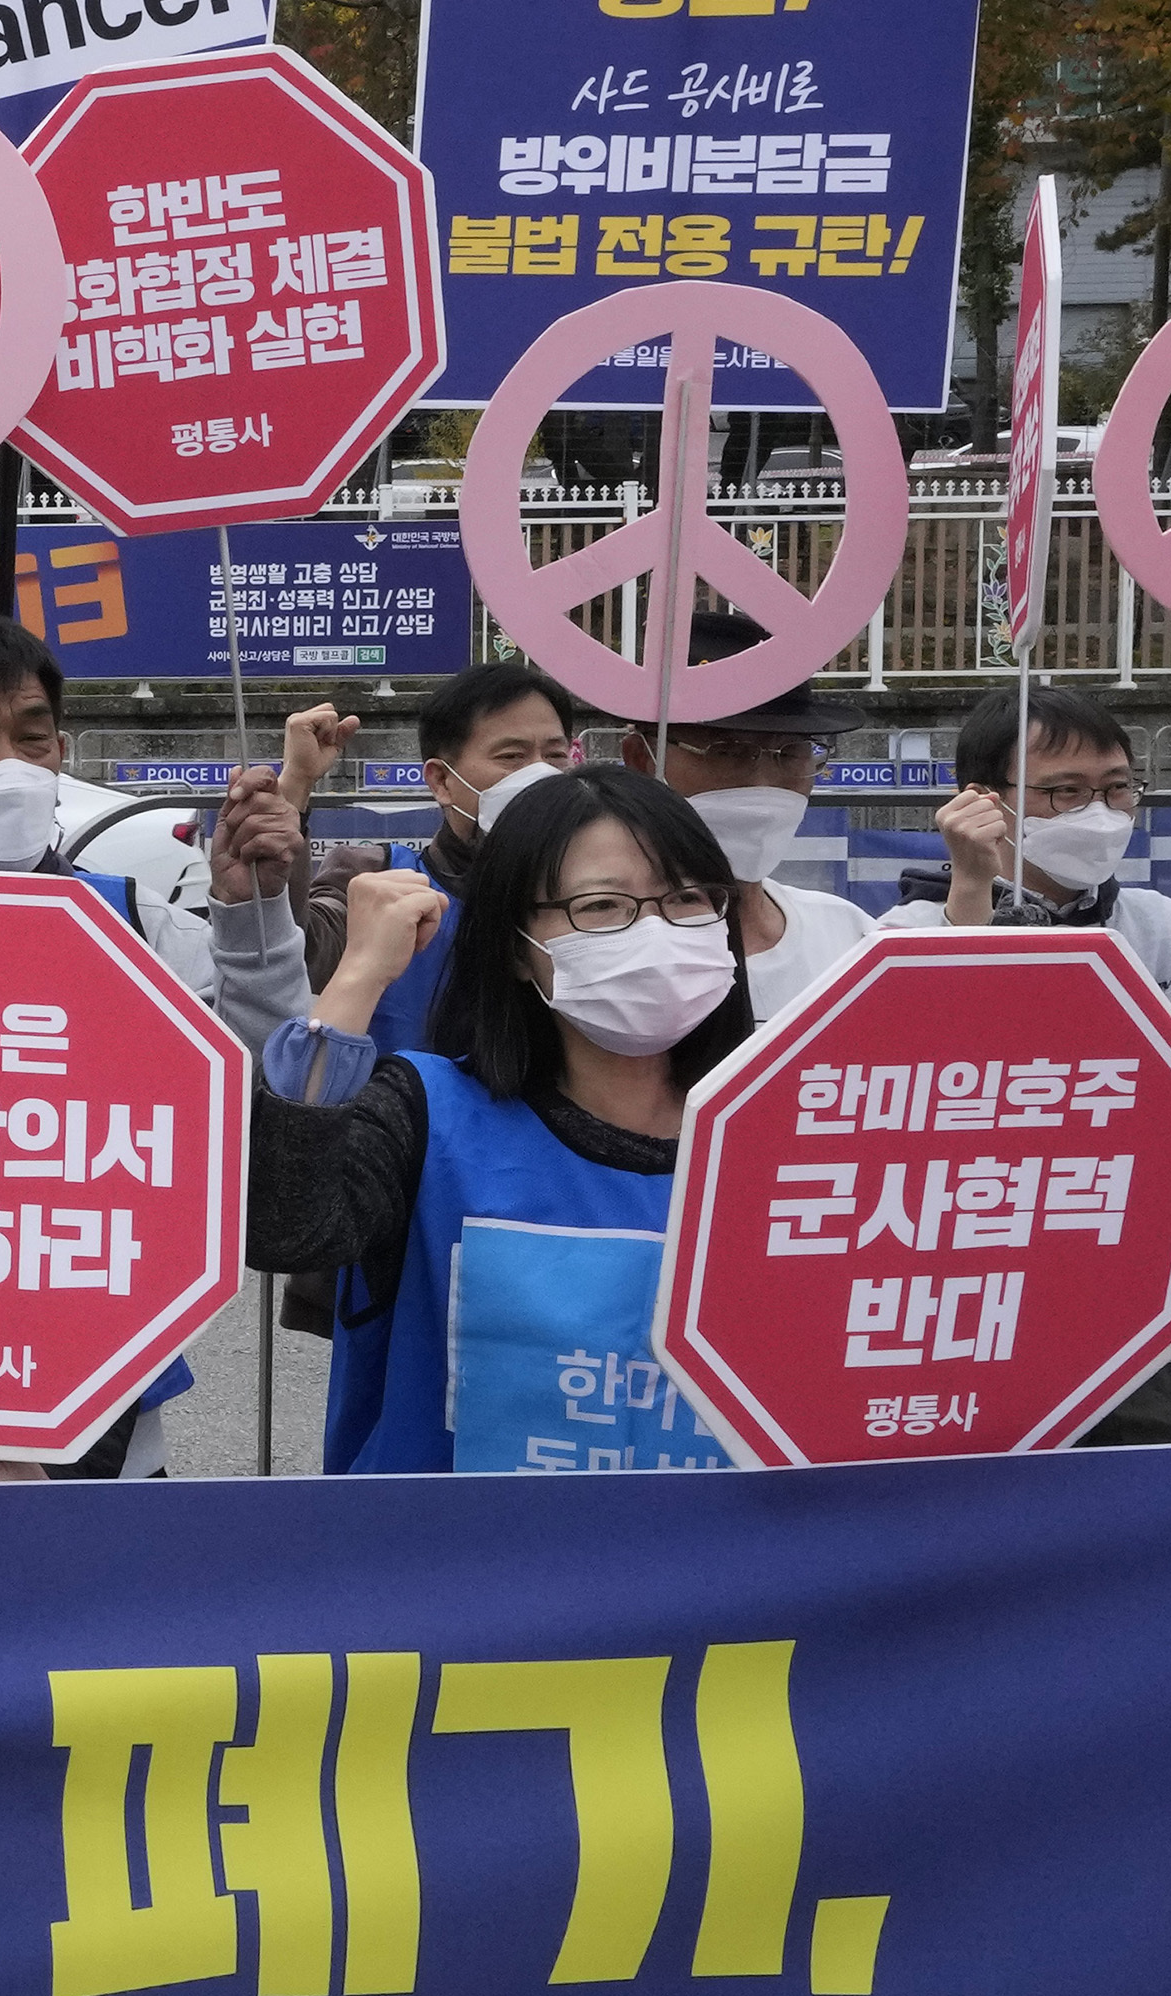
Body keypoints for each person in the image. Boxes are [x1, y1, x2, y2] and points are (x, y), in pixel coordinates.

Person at [250, 764, 756, 1477]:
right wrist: (359, 975)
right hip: (458, 1576)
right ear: (520, 946)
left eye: (688, 899)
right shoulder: (429, 1113)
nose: (658, 934)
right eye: (604, 907)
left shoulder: (789, 1127)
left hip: (728, 1577)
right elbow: (286, 1225)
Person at [0, 607, 218, 981]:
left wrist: (252, 921)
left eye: (33, 739)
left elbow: (248, 1028)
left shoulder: (136, 925)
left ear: (60, 753)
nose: (9, 767)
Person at [277, 659, 582, 1054]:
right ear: (441, 780)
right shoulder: (377, 879)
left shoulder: (607, 893)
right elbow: (292, 954)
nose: (539, 775)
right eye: (512, 757)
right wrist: (294, 789)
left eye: (556, 756)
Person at [596, 616, 873, 1017]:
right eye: (728, 751)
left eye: (792, 752)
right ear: (642, 758)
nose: (762, 783)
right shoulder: (599, 948)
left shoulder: (851, 940)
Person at [890, 686, 1171, 983]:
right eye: (1067, 790)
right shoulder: (903, 938)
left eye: (1118, 787)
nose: (1099, 812)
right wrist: (969, 896)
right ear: (983, 801)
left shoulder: (1165, 924)